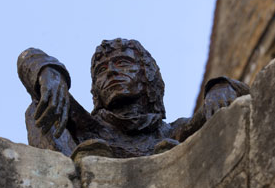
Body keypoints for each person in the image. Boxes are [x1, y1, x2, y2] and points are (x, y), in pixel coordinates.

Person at [18, 38, 249, 159]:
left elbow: (246, 96)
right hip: (89, 186)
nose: (110, 72)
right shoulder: (86, 128)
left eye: (123, 64)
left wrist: (220, 87)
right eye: (101, 70)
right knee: (39, 110)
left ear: (146, 75)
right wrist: (48, 71)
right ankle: (73, 172)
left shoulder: (170, 132)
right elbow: (28, 57)